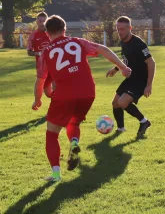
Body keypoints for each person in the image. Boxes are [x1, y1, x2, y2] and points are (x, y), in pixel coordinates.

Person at [33, 15, 131, 182]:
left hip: (64, 95)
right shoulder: (77, 42)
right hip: (88, 92)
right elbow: (102, 49)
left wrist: (38, 100)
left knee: (52, 134)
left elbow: (41, 80)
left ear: (47, 33)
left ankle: (55, 174)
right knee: (73, 122)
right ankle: (74, 142)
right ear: (65, 30)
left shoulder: (46, 52)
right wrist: (122, 67)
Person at [106, 16, 156, 137]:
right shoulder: (123, 41)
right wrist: (116, 69)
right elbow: (127, 59)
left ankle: (144, 122)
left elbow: (151, 63)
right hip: (130, 78)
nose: (120, 32)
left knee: (122, 102)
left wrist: (149, 85)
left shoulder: (138, 44)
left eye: (122, 29)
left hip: (140, 81)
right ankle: (121, 129)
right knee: (115, 103)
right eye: (118, 29)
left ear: (130, 28)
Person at [27, 12, 54, 98]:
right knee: (48, 93)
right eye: (40, 20)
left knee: (57, 88)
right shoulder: (33, 35)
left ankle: (60, 107)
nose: (42, 23)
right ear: (36, 22)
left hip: (55, 64)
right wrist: (39, 53)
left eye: (44, 21)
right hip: (42, 66)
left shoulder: (53, 33)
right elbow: (29, 52)